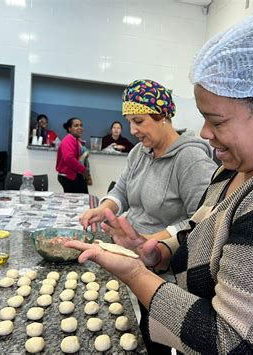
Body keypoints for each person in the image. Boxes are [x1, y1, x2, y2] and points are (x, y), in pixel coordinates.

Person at [67, 3, 253, 354]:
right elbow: (202, 229)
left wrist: (134, 274)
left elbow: (231, 343)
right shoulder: (240, 166)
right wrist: (155, 252)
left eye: (218, 121)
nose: (205, 133)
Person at [80, 79, 217, 353]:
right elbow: (122, 191)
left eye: (139, 121)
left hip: (161, 269)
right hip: (130, 255)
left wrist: (152, 241)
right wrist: (104, 208)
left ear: (163, 116)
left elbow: (201, 220)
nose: (133, 130)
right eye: (129, 121)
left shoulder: (190, 159)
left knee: (152, 338)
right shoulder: (140, 152)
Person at [56, 117, 91, 193]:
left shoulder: (76, 140)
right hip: (69, 176)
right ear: (69, 129)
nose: (80, 128)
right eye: (76, 126)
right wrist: (83, 170)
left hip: (74, 175)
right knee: (81, 200)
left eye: (81, 125)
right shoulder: (69, 139)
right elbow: (69, 158)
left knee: (79, 200)